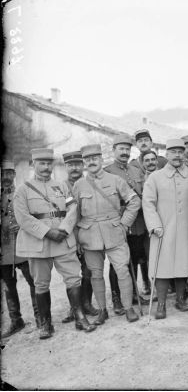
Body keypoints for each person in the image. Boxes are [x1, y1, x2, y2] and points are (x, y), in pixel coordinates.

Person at [13, 148, 96, 339]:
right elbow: (22, 218)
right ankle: (45, 323)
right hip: (38, 243)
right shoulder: (23, 189)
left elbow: (72, 207)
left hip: (62, 240)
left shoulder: (61, 186)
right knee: (41, 284)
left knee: (73, 278)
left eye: (49, 163)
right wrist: (47, 232)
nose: (46, 167)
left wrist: (65, 229)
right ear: (33, 165)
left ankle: (79, 316)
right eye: (41, 163)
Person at [73, 144, 142, 324]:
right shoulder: (79, 185)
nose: (91, 162)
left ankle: (128, 308)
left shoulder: (115, 180)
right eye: (88, 160)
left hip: (114, 232)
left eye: (95, 159)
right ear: (84, 163)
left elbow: (134, 201)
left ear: (101, 160)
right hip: (89, 236)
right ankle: (103, 310)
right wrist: (77, 237)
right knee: (96, 274)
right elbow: (74, 214)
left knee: (122, 271)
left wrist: (125, 223)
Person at [143, 139, 188, 318]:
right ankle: (161, 305)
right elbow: (148, 203)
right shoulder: (155, 177)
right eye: (173, 152)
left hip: (187, 229)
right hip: (163, 229)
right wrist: (154, 225)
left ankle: (181, 299)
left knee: (183, 264)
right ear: (166, 155)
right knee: (162, 267)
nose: (178, 155)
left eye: (181, 151)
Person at [104, 134, 149, 309]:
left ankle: (133, 294)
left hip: (138, 224)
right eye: (121, 149)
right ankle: (117, 299)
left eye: (127, 149)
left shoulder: (137, 170)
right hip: (120, 223)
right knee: (119, 263)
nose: (124, 152)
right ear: (113, 150)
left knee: (136, 258)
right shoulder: (107, 172)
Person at [1, 160, 39, 338]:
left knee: (33, 281)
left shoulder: (23, 192)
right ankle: (16, 320)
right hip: (4, 250)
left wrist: (23, 226)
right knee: (8, 286)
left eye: (9, 173)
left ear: (14, 174)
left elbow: (35, 216)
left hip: (22, 246)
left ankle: (40, 316)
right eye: (2, 173)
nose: (6, 177)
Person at [60, 150, 99, 324]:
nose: (74, 168)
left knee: (88, 270)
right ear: (65, 167)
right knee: (71, 273)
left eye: (77, 164)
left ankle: (87, 303)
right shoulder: (60, 187)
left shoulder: (90, 183)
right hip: (68, 236)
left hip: (89, 232)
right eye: (70, 165)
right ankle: (74, 308)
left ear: (82, 165)